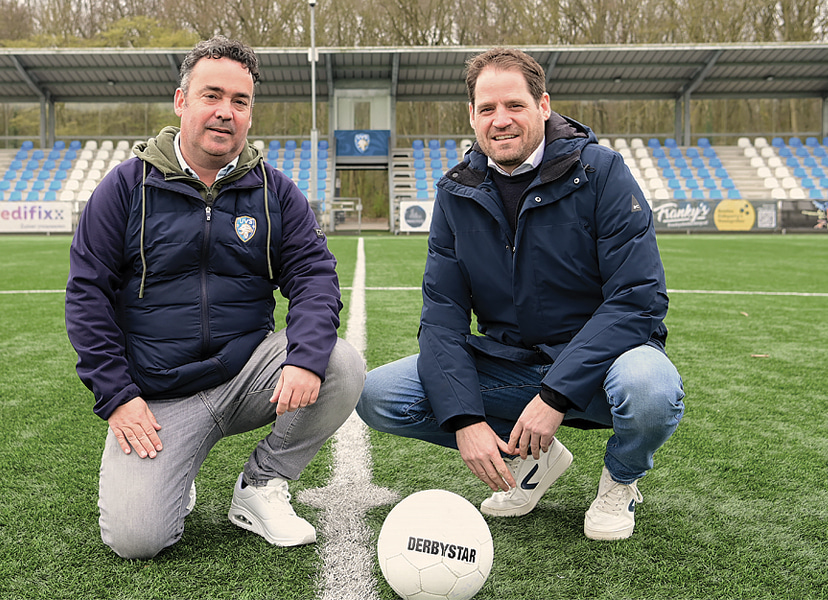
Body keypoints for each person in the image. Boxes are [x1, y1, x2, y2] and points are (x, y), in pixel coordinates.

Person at [357, 48, 685, 541]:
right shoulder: (456, 192)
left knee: (650, 389)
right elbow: (442, 316)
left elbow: (638, 297)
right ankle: (532, 460)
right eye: (487, 108)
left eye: (514, 105)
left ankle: (620, 480)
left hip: (602, 369)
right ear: (472, 115)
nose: (501, 120)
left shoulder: (601, 172)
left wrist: (555, 395)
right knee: (379, 395)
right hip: (511, 364)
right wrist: (464, 418)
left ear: (543, 106)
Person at [65, 36, 365, 559]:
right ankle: (171, 476)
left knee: (338, 362)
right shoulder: (126, 188)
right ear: (181, 101)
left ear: (249, 112)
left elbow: (314, 275)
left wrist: (305, 358)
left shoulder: (274, 192)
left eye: (240, 101)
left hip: (247, 374)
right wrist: (118, 397)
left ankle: (262, 484)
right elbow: (87, 296)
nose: (226, 112)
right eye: (212, 96)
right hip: (159, 396)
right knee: (138, 540)